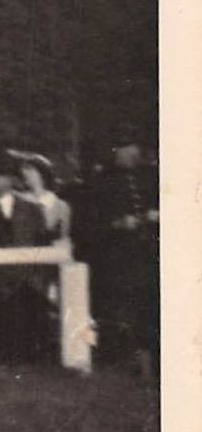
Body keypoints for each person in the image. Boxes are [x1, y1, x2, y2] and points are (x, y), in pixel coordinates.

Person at [85, 133, 159, 380]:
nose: (132, 153)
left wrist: (155, 216)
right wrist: (118, 223)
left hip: (148, 252)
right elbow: (93, 224)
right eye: (126, 149)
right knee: (121, 309)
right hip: (117, 257)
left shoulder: (150, 176)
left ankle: (149, 361)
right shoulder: (103, 182)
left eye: (134, 148)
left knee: (148, 305)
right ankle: (124, 360)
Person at [8, 150, 71, 247]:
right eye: (23, 169)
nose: (25, 172)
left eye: (29, 169)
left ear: (42, 172)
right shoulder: (18, 201)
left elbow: (64, 238)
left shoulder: (61, 206)